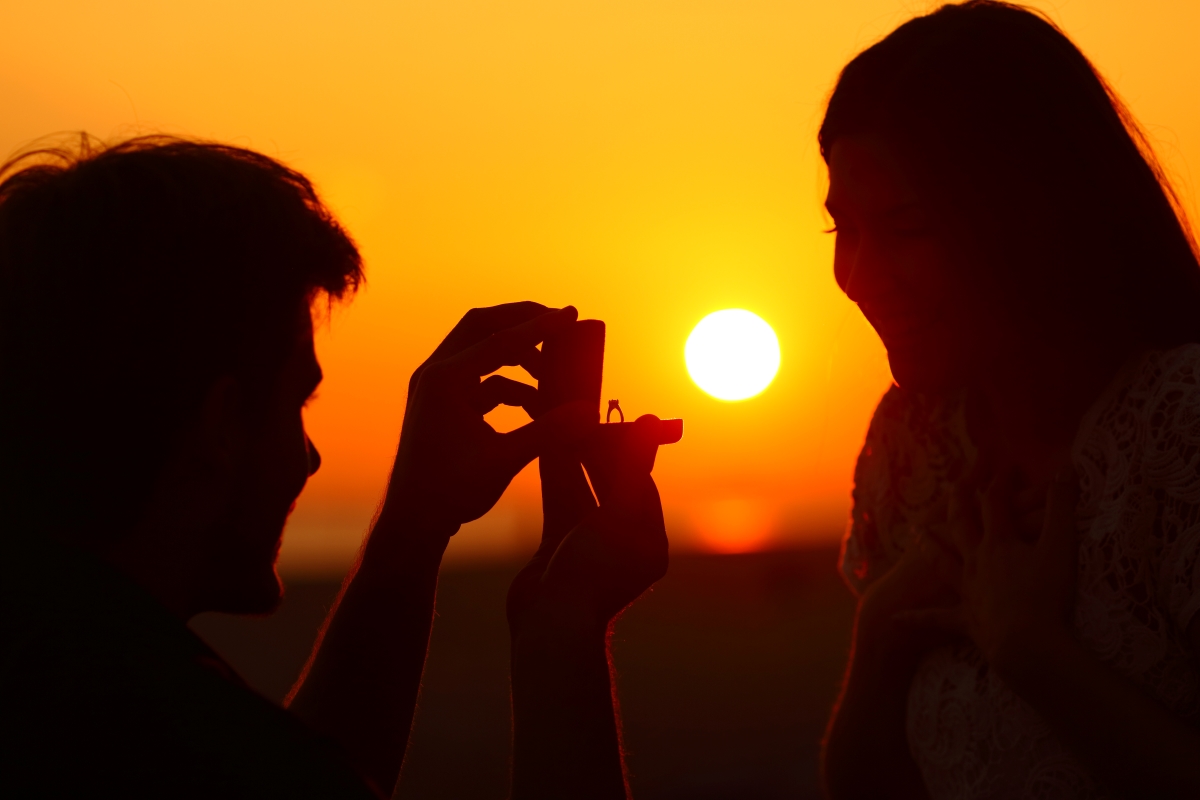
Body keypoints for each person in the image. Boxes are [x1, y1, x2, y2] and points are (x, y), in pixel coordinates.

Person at [0, 135, 667, 799]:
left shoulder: (54, 668)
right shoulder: (158, 741)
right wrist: (563, 630)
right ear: (222, 423)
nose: (312, 456)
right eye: (297, 402)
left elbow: (318, 771)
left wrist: (415, 528)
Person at [817, 2, 1200, 798]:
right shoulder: (911, 445)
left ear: (1027, 215)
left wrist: (1031, 650)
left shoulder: (1180, 427)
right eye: (842, 229)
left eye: (907, 227)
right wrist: (879, 628)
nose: (859, 274)